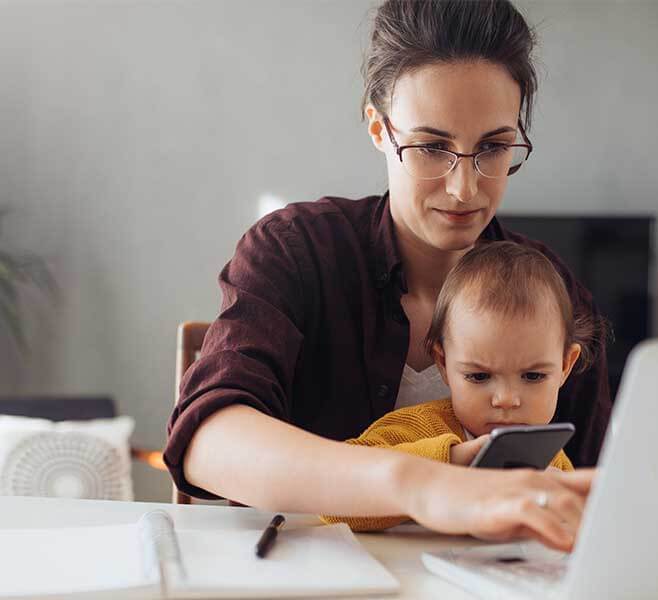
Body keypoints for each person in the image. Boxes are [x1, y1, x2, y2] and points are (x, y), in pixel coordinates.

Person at [164, 0, 612, 552]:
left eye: (493, 148)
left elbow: (600, 489)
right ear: (378, 126)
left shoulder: (554, 290)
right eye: (431, 147)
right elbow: (207, 441)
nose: (465, 189)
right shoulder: (297, 250)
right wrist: (420, 484)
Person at [321, 242, 596, 531]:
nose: (506, 399)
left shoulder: (552, 458)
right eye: (479, 377)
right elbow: (332, 503)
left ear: (566, 366)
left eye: (533, 376)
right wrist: (449, 460)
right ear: (443, 363)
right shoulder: (420, 427)